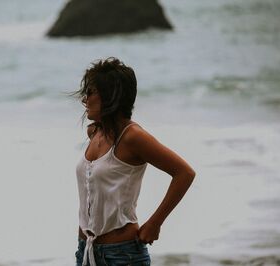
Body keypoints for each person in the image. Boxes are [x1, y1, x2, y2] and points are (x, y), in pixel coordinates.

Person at [73, 57, 196, 266]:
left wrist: (155, 223)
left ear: (110, 96)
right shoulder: (95, 132)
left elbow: (184, 173)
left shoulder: (133, 137)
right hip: (86, 251)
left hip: (123, 255)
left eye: (91, 92)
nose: (85, 99)